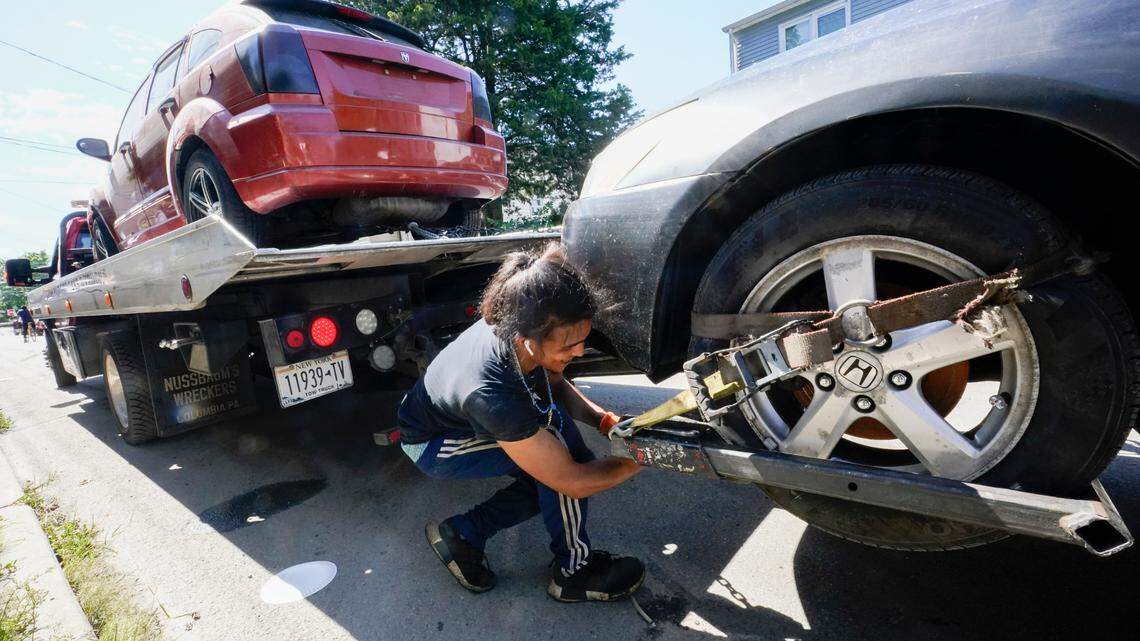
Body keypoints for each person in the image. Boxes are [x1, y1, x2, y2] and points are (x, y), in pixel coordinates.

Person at [397, 242, 645, 602]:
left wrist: (604, 420)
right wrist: (640, 459)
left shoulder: (521, 305)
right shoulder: (492, 394)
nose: (578, 352)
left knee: (554, 461)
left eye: (582, 340)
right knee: (562, 471)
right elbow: (572, 482)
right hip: (437, 442)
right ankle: (574, 574)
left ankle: (464, 533)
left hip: (475, 414)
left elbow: (554, 377)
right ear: (527, 341)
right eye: (568, 346)